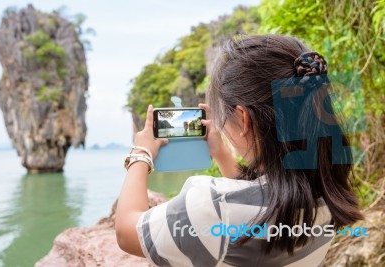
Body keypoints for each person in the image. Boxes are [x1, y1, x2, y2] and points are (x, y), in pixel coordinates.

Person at [115, 34, 363, 267]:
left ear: (243, 119)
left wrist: (141, 154)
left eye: (224, 116)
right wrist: (221, 153)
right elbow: (259, 197)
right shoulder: (328, 193)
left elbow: (127, 232)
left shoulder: (212, 205)